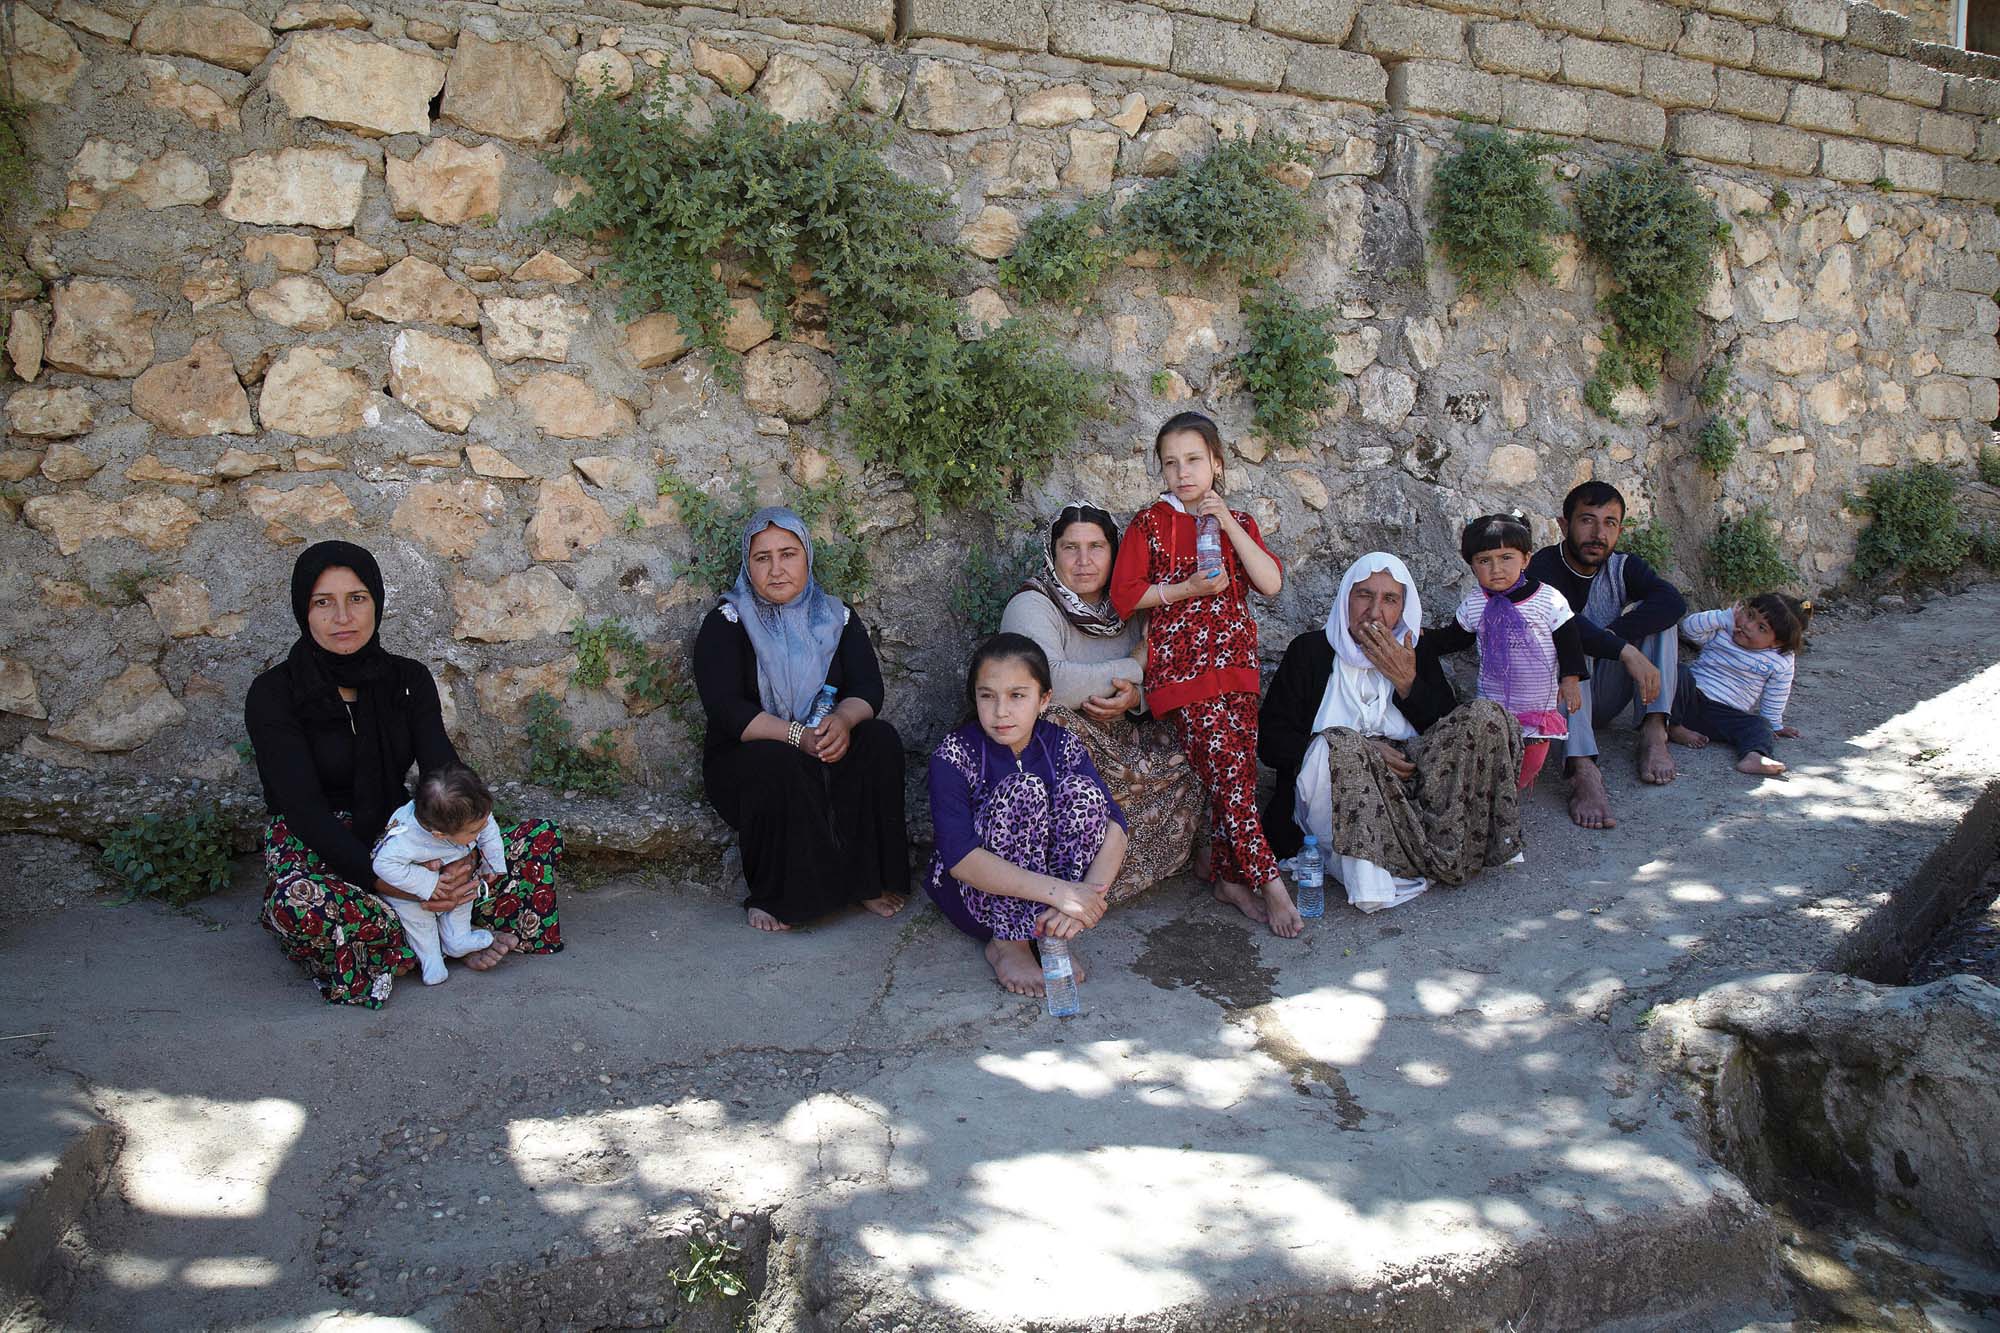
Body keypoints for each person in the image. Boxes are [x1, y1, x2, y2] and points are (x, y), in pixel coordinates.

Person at [245, 541, 563, 1008]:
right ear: (303, 611)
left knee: (536, 842)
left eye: (356, 598)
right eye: (322, 602)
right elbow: (303, 810)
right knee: (302, 905)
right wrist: (391, 883)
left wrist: (458, 861)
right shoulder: (274, 694)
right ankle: (445, 934)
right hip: (317, 845)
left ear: (376, 601)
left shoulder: (407, 679)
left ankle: (406, 943)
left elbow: (443, 770)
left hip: (405, 832)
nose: (342, 617)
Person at [1109, 412, 1300, 936]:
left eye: (1193, 460)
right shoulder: (1149, 524)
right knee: (1233, 779)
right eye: (1170, 463)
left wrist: (1229, 523)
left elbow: (1270, 583)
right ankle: (1270, 883)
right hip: (1183, 672)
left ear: (1216, 462)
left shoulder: (1237, 521)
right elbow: (1127, 596)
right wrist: (1185, 590)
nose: (1182, 472)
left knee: (1228, 775)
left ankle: (1226, 877)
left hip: (1238, 666)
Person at [1260, 553, 1525, 912]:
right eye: (1364, 595)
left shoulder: (1416, 650)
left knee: (1485, 716)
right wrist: (1359, 749)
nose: (1374, 612)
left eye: (1389, 600)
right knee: (1342, 747)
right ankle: (1370, 882)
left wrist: (1406, 682)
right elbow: (1271, 743)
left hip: (1412, 788)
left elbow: (1449, 736)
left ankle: (1449, 846)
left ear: (1403, 607)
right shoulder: (1309, 652)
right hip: (1336, 795)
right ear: (1346, 599)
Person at [693, 507, 909, 932]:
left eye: (788, 554)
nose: (777, 569)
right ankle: (779, 898)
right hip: (751, 758)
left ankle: (870, 881)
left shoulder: (837, 616)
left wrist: (843, 723)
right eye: (762, 558)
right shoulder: (727, 621)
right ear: (747, 564)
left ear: (807, 557)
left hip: (825, 742)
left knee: (879, 739)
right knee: (778, 763)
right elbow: (726, 709)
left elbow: (868, 689)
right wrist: (797, 736)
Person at [999, 503, 1200, 902]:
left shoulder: (1130, 608)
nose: (1084, 561)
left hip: (1122, 739)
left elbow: (1163, 676)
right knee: (1052, 722)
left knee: (1195, 740)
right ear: (1053, 554)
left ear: (1116, 552)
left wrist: (1136, 694)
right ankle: (1059, 879)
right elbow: (1047, 681)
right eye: (1070, 548)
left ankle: (1107, 882)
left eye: (1097, 547)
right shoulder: (1033, 604)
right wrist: (1133, 666)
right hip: (1063, 747)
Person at [924, 634, 1128, 996]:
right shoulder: (955, 754)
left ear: (1043, 699)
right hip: (973, 895)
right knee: (1025, 790)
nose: (1001, 711)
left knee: (1083, 794)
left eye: (1017, 696)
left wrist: (1084, 900)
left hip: (1055, 897)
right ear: (975, 697)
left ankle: (1053, 933)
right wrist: (1061, 892)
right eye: (988, 695)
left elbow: (1114, 824)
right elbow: (960, 858)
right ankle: (1008, 943)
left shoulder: (1061, 743)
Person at [1526, 481, 1687, 829]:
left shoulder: (1622, 566)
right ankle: (1583, 768)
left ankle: (1654, 730)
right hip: (1560, 698)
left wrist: (1618, 638)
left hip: (1604, 691)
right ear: (1564, 525)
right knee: (1566, 637)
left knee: (1661, 617)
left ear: (1619, 530)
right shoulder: (1542, 569)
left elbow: (1673, 601)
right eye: (1587, 520)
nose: (1598, 533)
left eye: (1610, 523)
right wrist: (1620, 649)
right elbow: (1564, 627)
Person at [1424, 515, 1585, 792]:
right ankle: (1499, 797)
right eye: (1484, 560)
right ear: (1472, 566)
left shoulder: (1548, 600)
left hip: (1536, 705)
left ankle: (1514, 791)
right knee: (1497, 758)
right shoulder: (1475, 604)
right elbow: (1455, 639)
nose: (1496, 569)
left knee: (1531, 760)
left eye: (1506, 557)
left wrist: (1570, 679)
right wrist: (1421, 639)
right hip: (1493, 702)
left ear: (1526, 559)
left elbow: (1569, 641)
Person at [371, 765, 506, 986]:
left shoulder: (475, 815)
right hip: (410, 891)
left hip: (455, 876)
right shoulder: (405, 840)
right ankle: (430, 960)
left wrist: (494, 864)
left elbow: (488, 829)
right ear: (440, 835)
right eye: (473, 832)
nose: (482, 830)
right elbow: (383, 865)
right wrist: (428, 884)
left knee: (463, 901)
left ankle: (458, 941)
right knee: (418, 922)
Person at [1669, 594, 1810, 777]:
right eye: (1749, 615)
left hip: (1725, 714)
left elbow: (1777, 692)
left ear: (1777, 642)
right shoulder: (1724, 630)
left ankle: (1753, 757)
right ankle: (1673, 727)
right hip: (1690, 697)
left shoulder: (1780, 659)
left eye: (1761, 627)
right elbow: (1689, 628)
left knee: (1759, 724)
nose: (1747, 625)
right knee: (1679, 673)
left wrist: (1774, 723)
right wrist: (1722, 617)